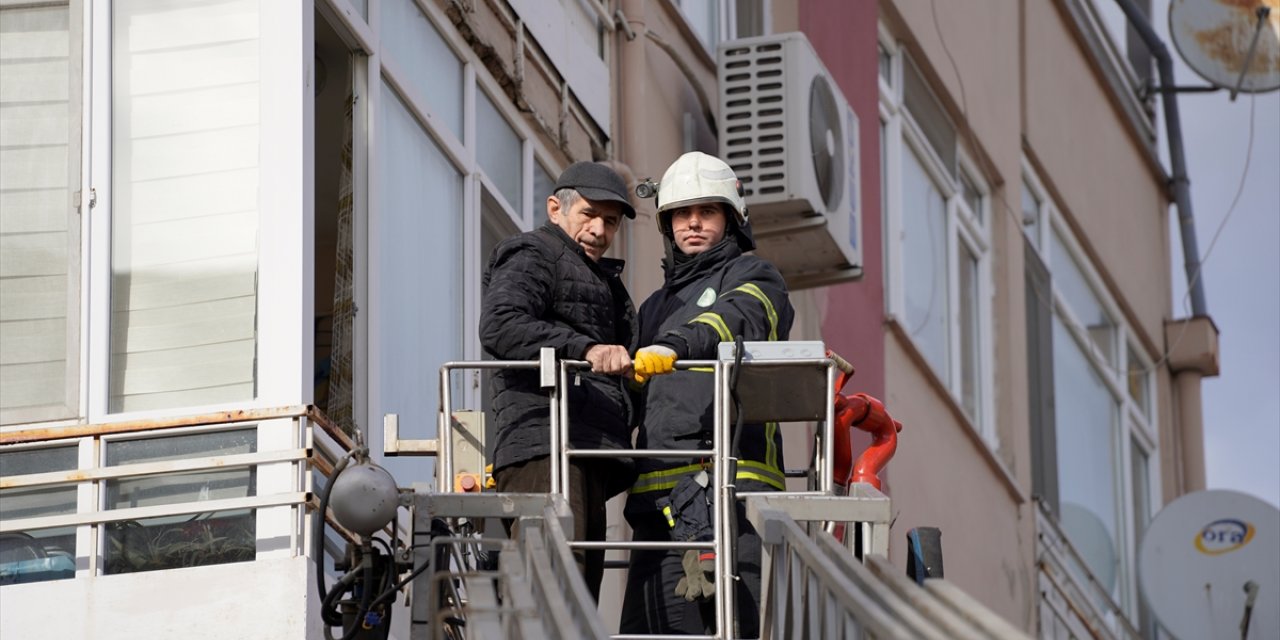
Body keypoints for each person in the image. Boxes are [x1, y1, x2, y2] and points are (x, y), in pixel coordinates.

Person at [619, 151, 795, 636]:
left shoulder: (755, 275)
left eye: (707, 212)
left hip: (727, 500)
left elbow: (739, 319)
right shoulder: (654, 306)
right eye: (681, 214)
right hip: (656, 507)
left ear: (732, 219)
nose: (692, 224)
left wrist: (676, 345)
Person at [479, 161, 638, 601]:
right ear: (555, 208)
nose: (600, 230)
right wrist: (584, 350)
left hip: (582, 446)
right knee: (554, 591)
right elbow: (500, 324)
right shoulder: (535, 252)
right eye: (588, 214)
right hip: (544, 444)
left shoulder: (601, 279)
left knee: (579, 595)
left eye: (610, 221)